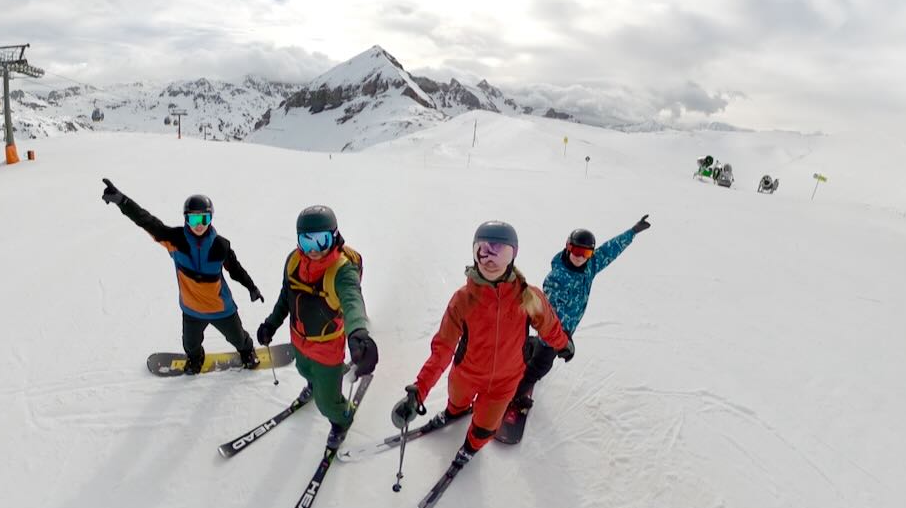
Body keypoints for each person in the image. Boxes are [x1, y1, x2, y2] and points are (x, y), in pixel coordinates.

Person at [391, 221, 570, 466]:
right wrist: (419, 392)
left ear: (513, 255)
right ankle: (456, 411)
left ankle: (470, 447)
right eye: (482, 250)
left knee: (486, 427)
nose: (489, 259)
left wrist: (562, 344)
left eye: (500, 252)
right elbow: (442, 349)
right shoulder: (463, 300)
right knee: (457, 400)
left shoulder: (528, 297)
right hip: (465, 374)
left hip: (505, 382)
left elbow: (548, 326)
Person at [101, 179, 263, 373]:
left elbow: (236, 270)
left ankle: (247, 351)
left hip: (221, 309)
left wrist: (251, 287)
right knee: (190, 344)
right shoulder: (175, 240)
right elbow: (146, 221)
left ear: (211, 219)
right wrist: (122, 201)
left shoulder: (221, 246)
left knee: (238, 338)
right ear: (186, 219)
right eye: (194, 219)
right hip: (192, 309)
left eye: (204, 219)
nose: (199, 225)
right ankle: (196, 358)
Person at [256, 205, 377, 449]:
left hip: (326, 350)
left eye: (321, 241)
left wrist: (358, 333)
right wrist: (271, 323)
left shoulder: (342, 271)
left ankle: (341, 420)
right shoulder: (293, 262)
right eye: (306, 242)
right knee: (303, 370)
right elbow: (285, 297)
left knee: (327, 403)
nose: (314, 250)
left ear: (334, 236)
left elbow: (353, 301)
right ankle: (313, 384)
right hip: (299, 341)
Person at [507, 215, 652, 413]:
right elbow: (551, 311)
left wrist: (632, 232)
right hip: (553, 332)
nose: (579, 256)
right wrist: (563, 338)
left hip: (561, 331)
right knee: (540, 367)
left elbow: (610, 249)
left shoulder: (589, 267)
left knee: (539, 349)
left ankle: (530, 347)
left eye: (585, 252)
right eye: (576, 250)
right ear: (568, 247)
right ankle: (514, 396)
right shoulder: (557, 277)